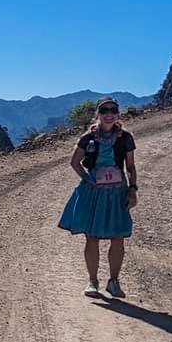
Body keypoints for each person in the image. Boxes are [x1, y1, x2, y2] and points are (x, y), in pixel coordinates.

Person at [57, 96, 138, 298]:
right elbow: (74, 162)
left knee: (118, 237)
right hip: (94, 191)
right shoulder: (88, 138)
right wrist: (88, 180)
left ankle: (114, 282)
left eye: (112, 110)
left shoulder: (125, 138)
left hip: (117, 191)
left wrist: (133, 189)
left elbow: (130, 166)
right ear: (98, 114)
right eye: (105, 111)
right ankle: (92, 281)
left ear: (117, 114)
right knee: (92, 237)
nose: (109, 114)